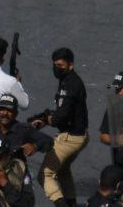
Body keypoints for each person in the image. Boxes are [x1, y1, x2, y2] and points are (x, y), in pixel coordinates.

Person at [33, 48, 88, 207]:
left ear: (70, 65)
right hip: (80, 135)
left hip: (71, 138)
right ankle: (71, 203)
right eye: (55, 65)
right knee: (63, 170)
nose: (57, 68)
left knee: (45, 174)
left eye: (60, 65)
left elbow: (61, 116)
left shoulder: (71, 84)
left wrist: (47, 119)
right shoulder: (68, 80)